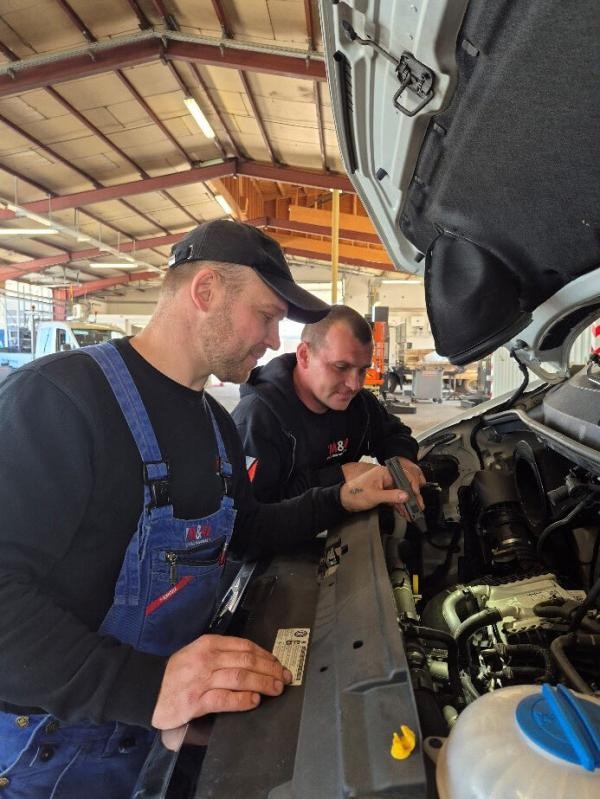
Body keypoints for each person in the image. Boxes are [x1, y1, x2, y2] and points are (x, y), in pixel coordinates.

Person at [0, 220, 408, 798]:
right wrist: (149, 690)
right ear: (206, 291)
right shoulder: (59, 400)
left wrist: (339, 498)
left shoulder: (215, 425)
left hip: (152, 729)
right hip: (53, 750)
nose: (274, 341)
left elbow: (249, 531)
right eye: (266, 316)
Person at [232, 304, 425, 508]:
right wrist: (341, 477)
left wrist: (403, 461)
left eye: (362, 371)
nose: (354, 384)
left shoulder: (360, 405)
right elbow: (253, 513)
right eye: (341, 367)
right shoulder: (257, 420)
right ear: (305, 355)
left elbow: (394, 434)